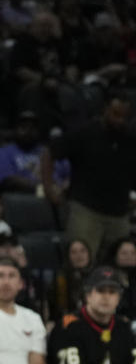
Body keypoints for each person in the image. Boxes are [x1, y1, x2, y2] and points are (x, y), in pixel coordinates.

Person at [41, 96, 135, 261]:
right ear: (105, 109)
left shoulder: (130, 138)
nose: (119, 120)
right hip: (86, 210)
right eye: (115, 114)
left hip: (119, 213)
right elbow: (49, 152)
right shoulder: (85, 131)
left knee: (120, 268)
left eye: (124, 117)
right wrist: (49, 188)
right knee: (81, 264)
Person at [47, 266, 136, 364]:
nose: (106, 297)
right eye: (100, 291)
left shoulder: (124, 326)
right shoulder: (68, 324)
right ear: (88, 295)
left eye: (112, 292)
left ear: (119, 298)